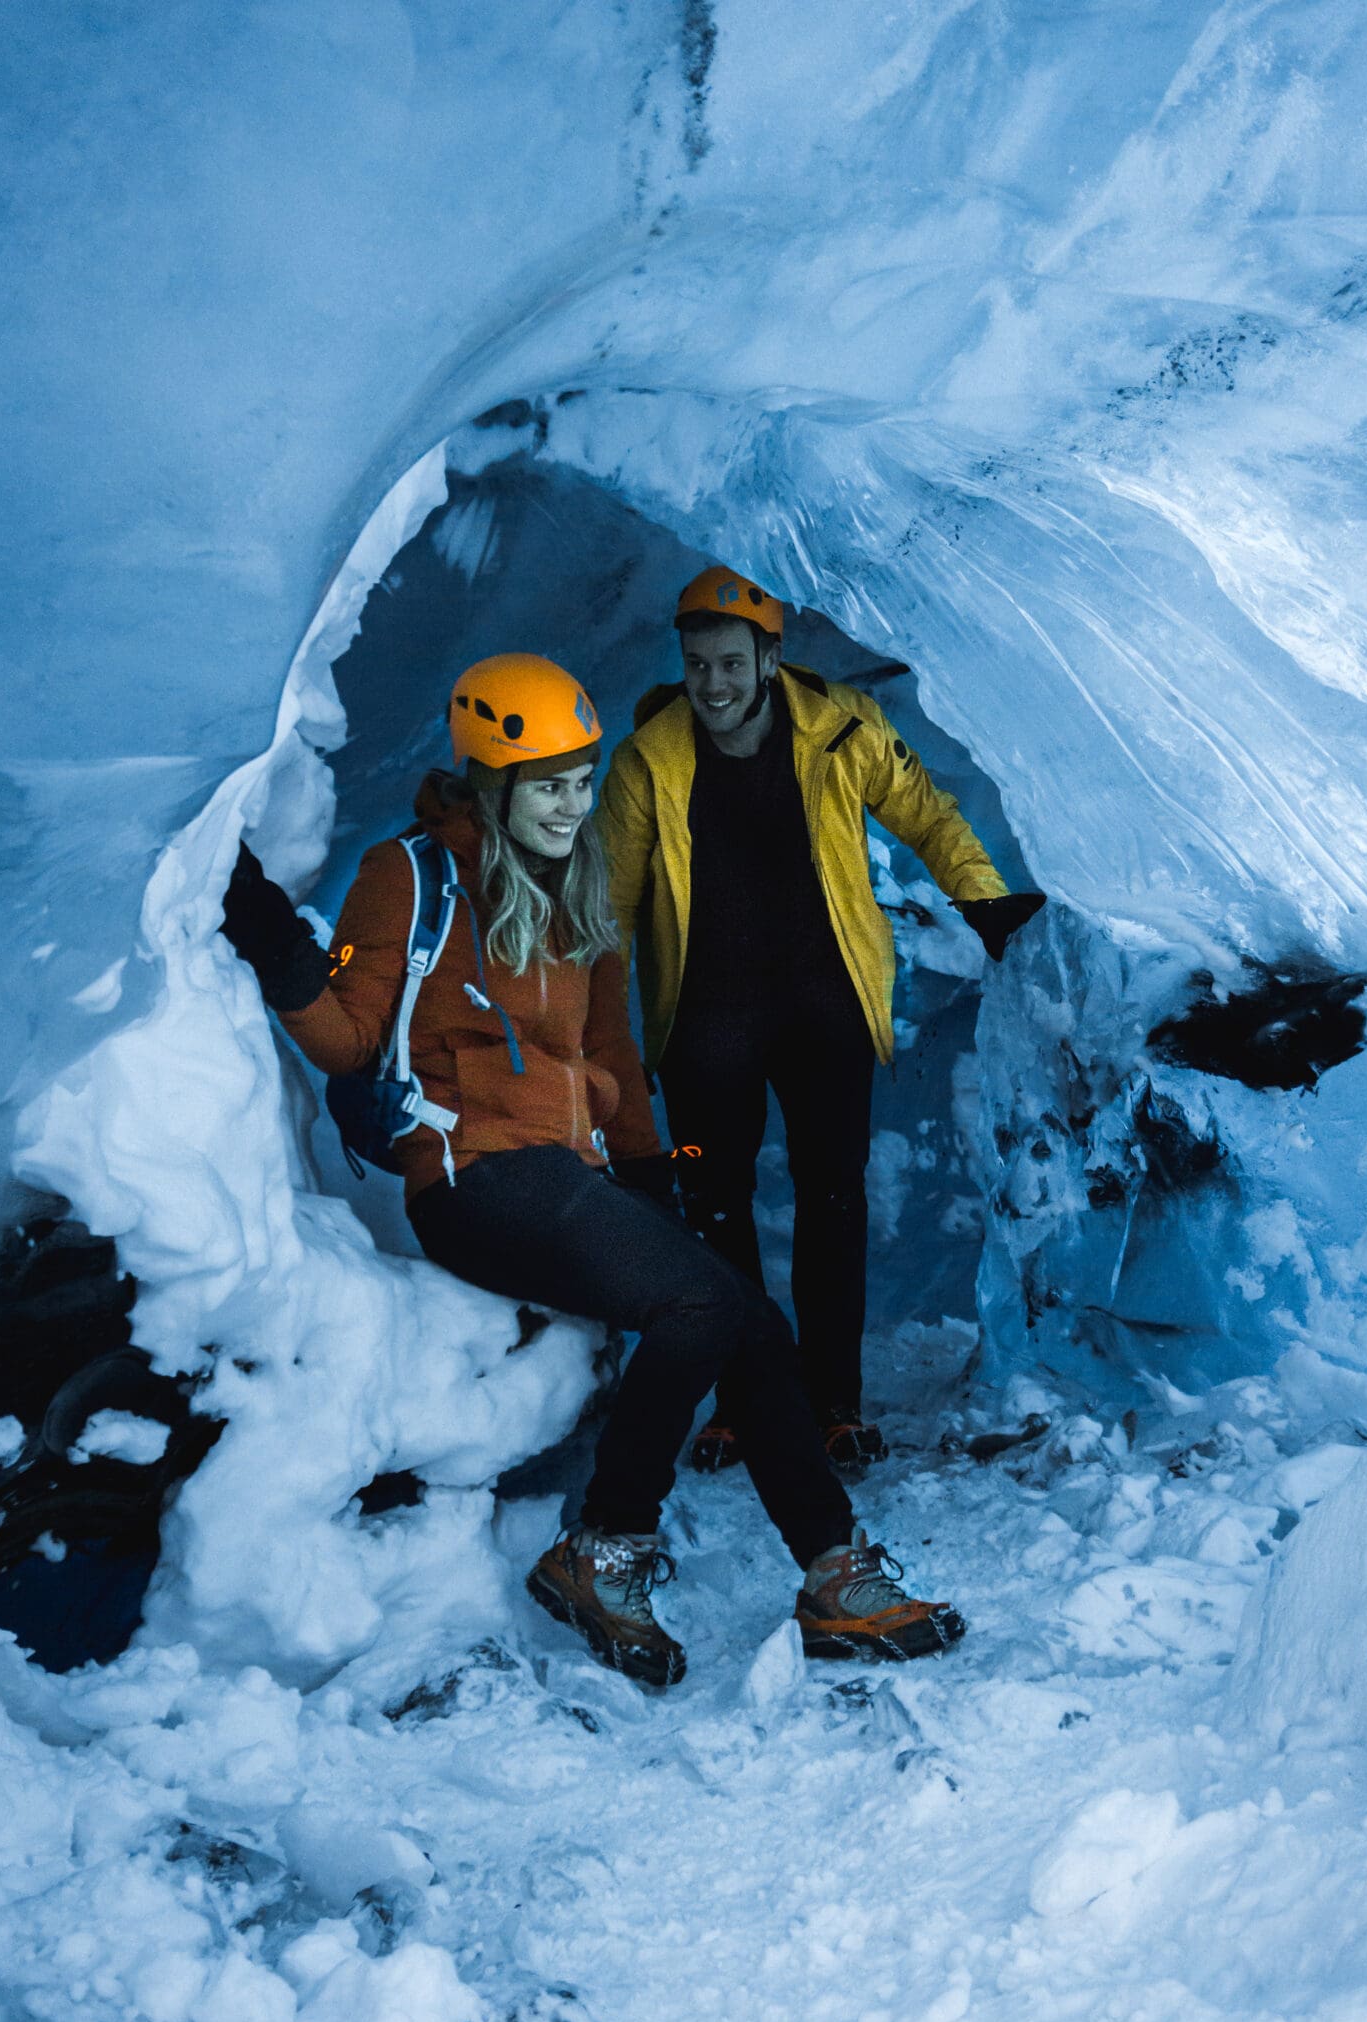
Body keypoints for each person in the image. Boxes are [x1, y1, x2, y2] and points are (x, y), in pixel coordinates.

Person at [218, 652, 965, 1686]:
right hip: (471, 1176)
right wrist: (269, 934)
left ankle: (835, 1571)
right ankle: (602, 1548)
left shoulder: (583, 892)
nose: (577, 802)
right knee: (703, 1305)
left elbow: (611, 1055)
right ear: (497, 782)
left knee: (748, 1316)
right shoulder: (411, 874)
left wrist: (661, 1186)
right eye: (553, 784)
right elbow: (348, 1036)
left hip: (570, 1178)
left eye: (584, 777)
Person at [600, 570, 1046, 1473]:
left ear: (771, 657)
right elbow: (606, 905)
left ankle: (834, 1402)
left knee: (832, 1203)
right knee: (715, 1210)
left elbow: (927, 814)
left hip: (825, 1009)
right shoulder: (649, 759)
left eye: (730, 661)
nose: (712, 683)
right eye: (696, 664)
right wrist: (602, 1040)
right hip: (705, 1025)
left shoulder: (846, 728)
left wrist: (984, 900)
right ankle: (741, 1400)